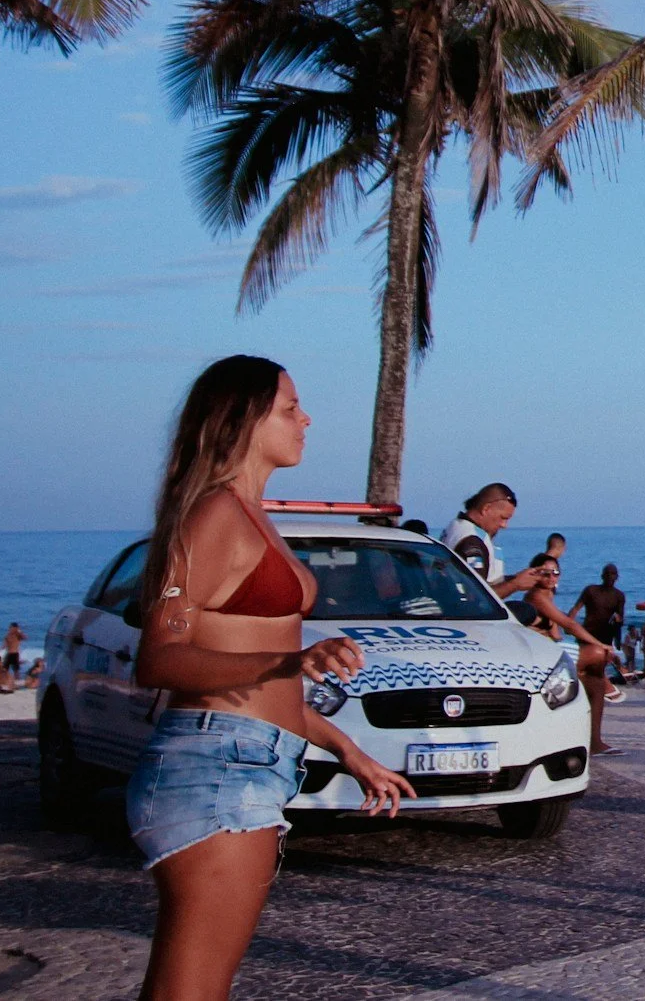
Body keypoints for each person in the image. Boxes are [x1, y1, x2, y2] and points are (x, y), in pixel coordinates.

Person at [126, 356, 414, 1001]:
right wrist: (290, 661)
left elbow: (260, 683)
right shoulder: (214, 516)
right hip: (216, 766)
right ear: (241, 420)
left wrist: (350, 751)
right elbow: (160, 658)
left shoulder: (253, 516)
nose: (306, 418)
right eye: (289, 408)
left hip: (245, 759)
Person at [518, 554, 619, 754]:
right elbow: (569, 624)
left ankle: (594, 740)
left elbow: (556, 633)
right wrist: (601, 645)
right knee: (598, 653)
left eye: (555, 573)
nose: (551, 577)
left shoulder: (548, 595)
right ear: (534, 573)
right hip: (538, 654)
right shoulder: (536, 596)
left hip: (549, 647)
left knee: (595, 684)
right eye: (545, 573)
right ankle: (604, 684)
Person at [438, 485, 543, 598]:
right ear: (486, 509)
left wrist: (515, 579)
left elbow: (480, 583)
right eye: (503, 518)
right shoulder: (473, 543)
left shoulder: (456, 526)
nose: (504, 525)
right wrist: (515, 585)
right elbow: (476, 596)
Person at [575, 565, 628, 670]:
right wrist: (569, 624)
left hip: (605, 633)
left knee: (600, 664)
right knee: (583, 661)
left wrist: (617, 638)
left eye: (612, 574)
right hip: (588, 631)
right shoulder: (591, 590)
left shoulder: (619, 596)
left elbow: (620, 618)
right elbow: (576, 608)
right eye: (607, 573)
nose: (610, 576)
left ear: (617, 577)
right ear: (602, 576)